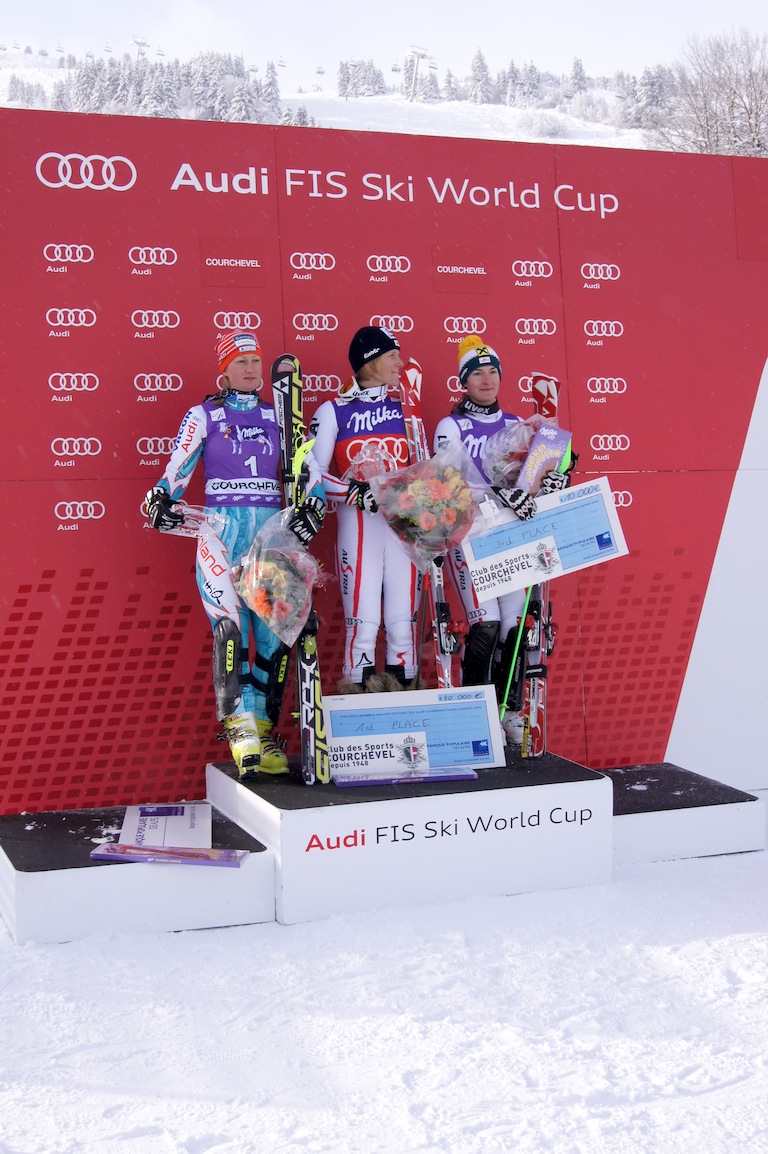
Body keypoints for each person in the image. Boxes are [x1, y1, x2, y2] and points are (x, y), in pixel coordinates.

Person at [145, 332, 325, 779]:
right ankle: (240, 727)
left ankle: (264, 729)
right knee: (231, 632)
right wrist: (161, 498)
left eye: (255, 361)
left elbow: (310, 471)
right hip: (222, 534)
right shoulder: (203, 415)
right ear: (223, 371)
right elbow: (177, 469)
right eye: (240, 361)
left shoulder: (280, 415)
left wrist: (313, 507)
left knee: (271, 636)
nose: (250, 369)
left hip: (269, 536)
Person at [434, 334, 568, 692]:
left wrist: (552, 481)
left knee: (515, 629)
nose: (487, 379)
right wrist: (496, 492)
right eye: (477, 373)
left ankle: (508, 709)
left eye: (493, 371)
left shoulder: (517, 423)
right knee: (486, 627)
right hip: (469, 534)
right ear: (463, 381)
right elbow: (445, 483)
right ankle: (478, 708)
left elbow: (530, 483)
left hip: (508, 534)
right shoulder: (451, 426)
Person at [309, 325, 422, 691]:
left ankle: (407, 711)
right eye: (392, 356)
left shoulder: (407, 407)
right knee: (364, 625)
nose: (400, 363)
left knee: (403, 626)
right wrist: (356, 493)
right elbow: (313, 475)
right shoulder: (333, 411)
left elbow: (425, 468)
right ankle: (359, 708)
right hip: (359, 525)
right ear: (370, 361)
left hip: (403, 528)